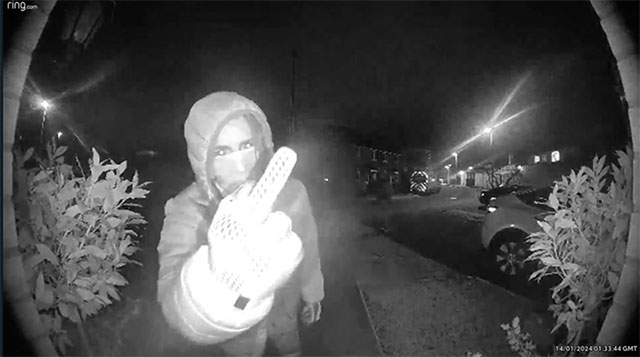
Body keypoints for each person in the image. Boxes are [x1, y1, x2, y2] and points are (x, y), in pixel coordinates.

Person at [157, 91, 324, 356]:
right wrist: (221, 291)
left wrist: (313, 290)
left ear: (260, 145)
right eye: (222, 151)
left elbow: (309, 243)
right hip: (239, 342)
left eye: (246, 145)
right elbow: (172, 299)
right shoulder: (186, 210)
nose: (239, 165)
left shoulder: (292, 192)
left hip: (286, 317)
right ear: (204, 161)